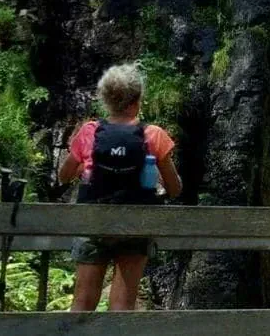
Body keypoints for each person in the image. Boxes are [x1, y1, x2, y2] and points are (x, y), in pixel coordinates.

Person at [57, 64, 183, 311]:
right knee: (122, 307)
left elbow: (63, 176)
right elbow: (175, 188)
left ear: (106, 101)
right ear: (137, 100)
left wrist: (84, 169)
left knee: (82, 304)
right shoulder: (153, 135)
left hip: (93, 222)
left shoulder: (89, 132)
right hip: (134, 225)